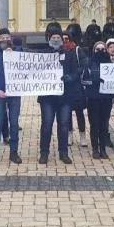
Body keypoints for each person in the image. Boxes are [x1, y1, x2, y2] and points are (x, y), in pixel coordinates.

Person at [37, 28, 79, 164]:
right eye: (53, 37)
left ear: (62, 40)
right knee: (47, 125)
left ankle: (63, 153)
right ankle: (44, 152)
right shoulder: (42, 55)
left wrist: (70, 77)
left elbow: (76, 72)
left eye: (58, 37)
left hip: (64, 96)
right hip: (47, 97)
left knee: (64, 125)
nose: (56, 39)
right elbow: (34, 72)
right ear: (49, 39)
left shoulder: (70, 54)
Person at [0, 28, 22, 165]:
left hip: (14, 93)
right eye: (2, 38)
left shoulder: (17, 51)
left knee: (14, 123)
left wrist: (13, 55)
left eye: (8, 37)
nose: (5, 40)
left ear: (11, 39)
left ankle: (14, 153)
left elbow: (25, 69)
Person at [82, 41, 114, 159]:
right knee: (94, 124)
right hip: (93, 98)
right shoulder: (89, 63)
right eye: (98, 49)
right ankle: (95, 148)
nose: (100, 51)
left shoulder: (110, 64)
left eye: (103, 49)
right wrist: (93, 82)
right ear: (94, 50)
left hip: (106, 99)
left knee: (104, 125)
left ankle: (103, 149)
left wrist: (112, 94)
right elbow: (83, 81)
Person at [63, 32, 89, 147]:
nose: (65, 41)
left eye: (67, 39)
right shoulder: (59, 51)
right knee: (67, 112)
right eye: (62, 39)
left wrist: (74, 75)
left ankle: (82, 135)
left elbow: (83, 65)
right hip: (65, 86)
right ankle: (69, 135)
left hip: (77, 85)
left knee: (79, 112)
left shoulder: (77, 50)